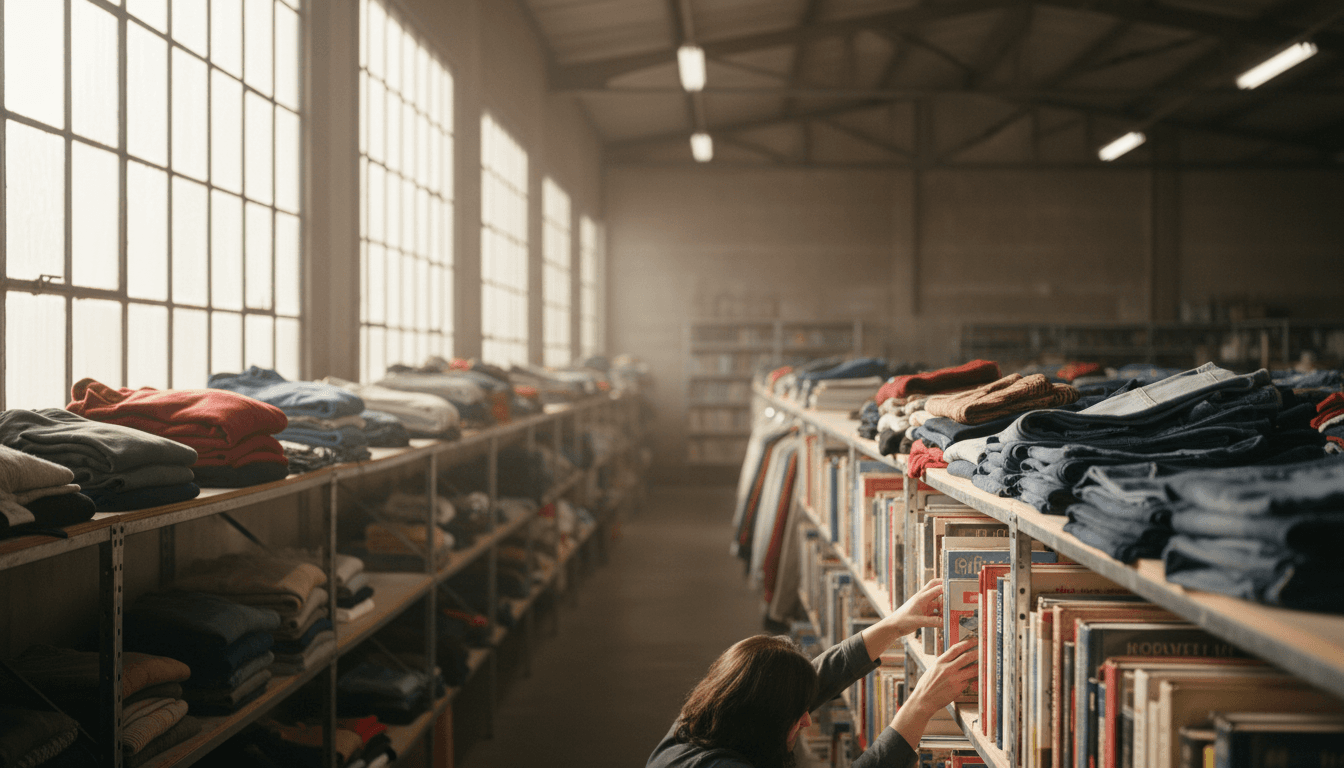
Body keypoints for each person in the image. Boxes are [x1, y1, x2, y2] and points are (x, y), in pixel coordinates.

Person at [646, 579, 977, 768]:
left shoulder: (700, 724)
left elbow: (807, 682)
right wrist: (919, 705)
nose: (807, 721)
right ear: (761, 722)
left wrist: (891, 626)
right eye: (795, 715)